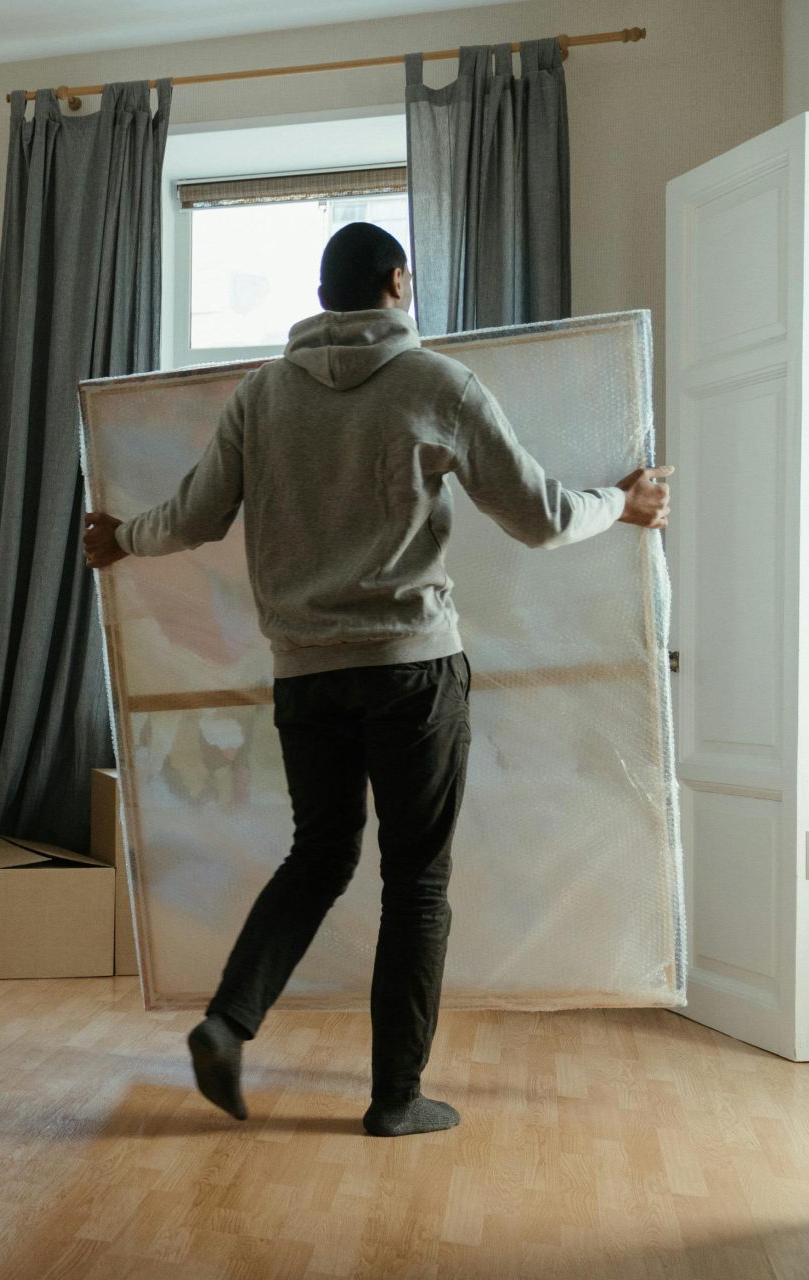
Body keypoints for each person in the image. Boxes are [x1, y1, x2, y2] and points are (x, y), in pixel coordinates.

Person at [81, 223, 672, 1137]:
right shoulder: (437, 384)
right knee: (417, 883)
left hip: (305, 678)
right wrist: (622, 503)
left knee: (318, 854)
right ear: (397, 282)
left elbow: (194, 518)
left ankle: (227, 1021)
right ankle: (396, 1098)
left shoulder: (261, 396)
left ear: (323, 297)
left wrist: (120, 539)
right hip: (411, 673)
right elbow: (544, 519)